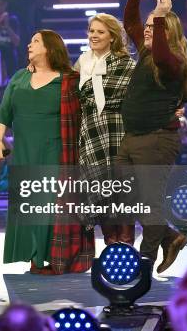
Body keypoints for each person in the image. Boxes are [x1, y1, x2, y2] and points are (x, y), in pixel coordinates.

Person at [0, 30, 94, 274]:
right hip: (24, 150)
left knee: (49, 204)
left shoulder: (70, 79)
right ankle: (35, 257)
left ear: (49, 48)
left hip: (56, 150)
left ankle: (51, 257)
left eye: (35, 41)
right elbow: (4, 112)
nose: (29, 44)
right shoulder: (19, 78)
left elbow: (90, 108)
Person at [120, 0, 187, 274]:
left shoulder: (171, 61)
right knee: (125, 195)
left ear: (168, 32)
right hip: (133, 138)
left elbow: (164, 55)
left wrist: (161, 16)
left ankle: (144, 263)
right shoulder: (148, 51)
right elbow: (130, 23)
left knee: (149, 203)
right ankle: (169, 235)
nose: (147, 30)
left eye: (154, 27)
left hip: (157, 139)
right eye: (149, 27)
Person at [73, 14, 136, 245]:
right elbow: (69, 88)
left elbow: (134, 97)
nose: (94, 35)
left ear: (112, 36)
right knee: (99, 191)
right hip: (91, 132)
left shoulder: (126, 64)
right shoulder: (82, 62)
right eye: (91, 31)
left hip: (118, 131)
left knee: (122, 191)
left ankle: (127, 244)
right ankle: (111, 244)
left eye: (100, 31)